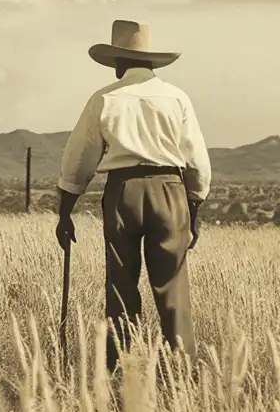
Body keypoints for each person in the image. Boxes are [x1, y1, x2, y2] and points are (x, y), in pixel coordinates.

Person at [55, 19, 211, 376]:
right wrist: (193, 209)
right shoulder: (177, 98)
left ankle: (118, 369)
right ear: (152, 63)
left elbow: (78, 159)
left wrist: (66, 212)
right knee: (172, 290)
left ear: (118, 63)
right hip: (169, 191)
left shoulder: (104, 99)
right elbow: (197, 161)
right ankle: (181, 374)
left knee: (121, 284)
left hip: (122, 192)